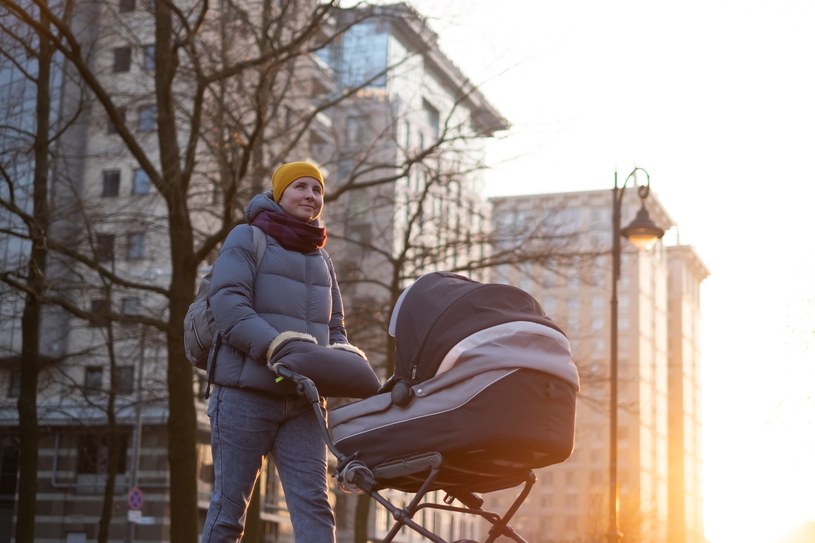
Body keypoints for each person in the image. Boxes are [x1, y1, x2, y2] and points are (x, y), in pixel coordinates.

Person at [201, 161, 363, 543]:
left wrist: (347, 358)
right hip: (244, 396)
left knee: (316, 510)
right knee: (229, 513)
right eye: (300, 187)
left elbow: (335, 327)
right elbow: (229, 305)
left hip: (302, 402)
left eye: (317, 190)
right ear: (279, 194)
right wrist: (278, 347)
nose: (310, 195)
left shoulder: (322, 258)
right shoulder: (246, 238)